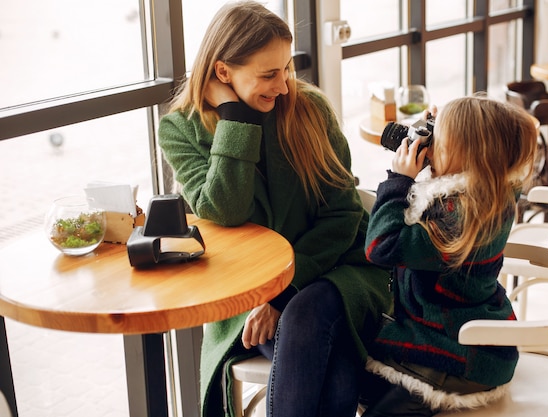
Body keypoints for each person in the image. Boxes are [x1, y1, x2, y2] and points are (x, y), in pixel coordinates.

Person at [157, 1, 392, 416]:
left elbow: (342, 216)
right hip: (250, 291)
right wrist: (235, 118)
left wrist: (282, 292)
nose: (284, 86)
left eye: (286, 69)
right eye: (269, 74)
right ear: (223, 72)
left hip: (340, 267)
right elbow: (224, 209)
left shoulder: (309, 110)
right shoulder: (180, 129)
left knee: (303, 312)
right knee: (337, 383)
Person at [362, 95, 537, 416]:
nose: (430, 144)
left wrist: (398, 180)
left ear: (464, 154)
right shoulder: (487, 194)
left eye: (439, 139)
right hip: (457, 326)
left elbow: (381, 246)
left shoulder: (461, 217)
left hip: (463, 354)